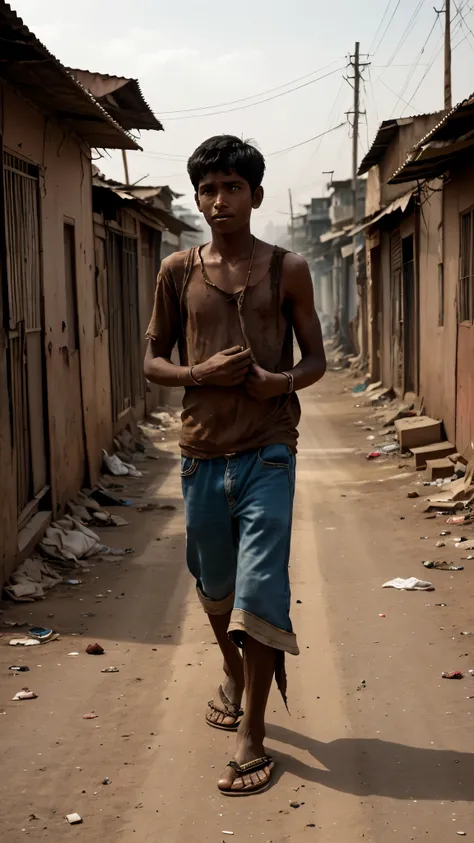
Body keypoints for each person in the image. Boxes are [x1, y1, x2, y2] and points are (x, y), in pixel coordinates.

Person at [144, 135, 326, 796]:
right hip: (200, 453)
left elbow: (315, 360)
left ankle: (252, 737)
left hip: (269, 451)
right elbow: (152, 361)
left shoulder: (289, 268)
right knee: (215, 585)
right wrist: (200, 371)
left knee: (259, 589)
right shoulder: (176, 270)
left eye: (232, 188)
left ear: (255, 194)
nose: (219, 200)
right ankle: (232, 664)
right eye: (209, 189)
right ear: (197, 197)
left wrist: (278, 384)